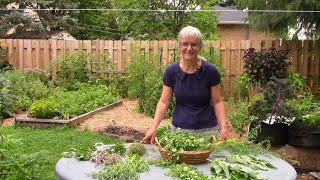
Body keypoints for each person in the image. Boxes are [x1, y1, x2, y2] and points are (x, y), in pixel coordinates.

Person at [140, 26, 228, 144]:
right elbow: (164, 101)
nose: (189, 48)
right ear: (179, 46)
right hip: (179, 132)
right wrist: (153, 128)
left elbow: (217, 101)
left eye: (194, 44)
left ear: (200, 47)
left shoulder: (210, 71)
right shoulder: (171, 71)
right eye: (185, 44)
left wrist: (223, 128)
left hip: (207, 132)